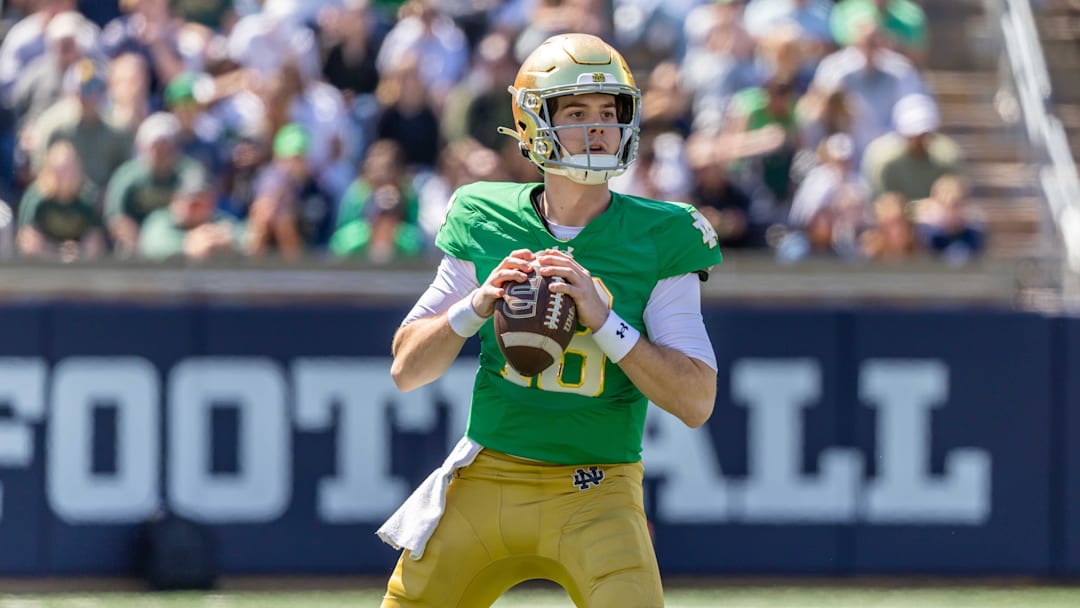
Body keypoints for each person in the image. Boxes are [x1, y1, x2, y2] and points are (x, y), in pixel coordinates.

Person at [377, 33, 723, 607]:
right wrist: (475, 306)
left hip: (599, 492)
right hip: (486, 481)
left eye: (609, 112)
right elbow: (406, 370)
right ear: (532, 121)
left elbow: (696, 400)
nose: (599, 129)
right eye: (578, 113)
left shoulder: (662, 233)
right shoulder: (484, 215)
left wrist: (607, 323)